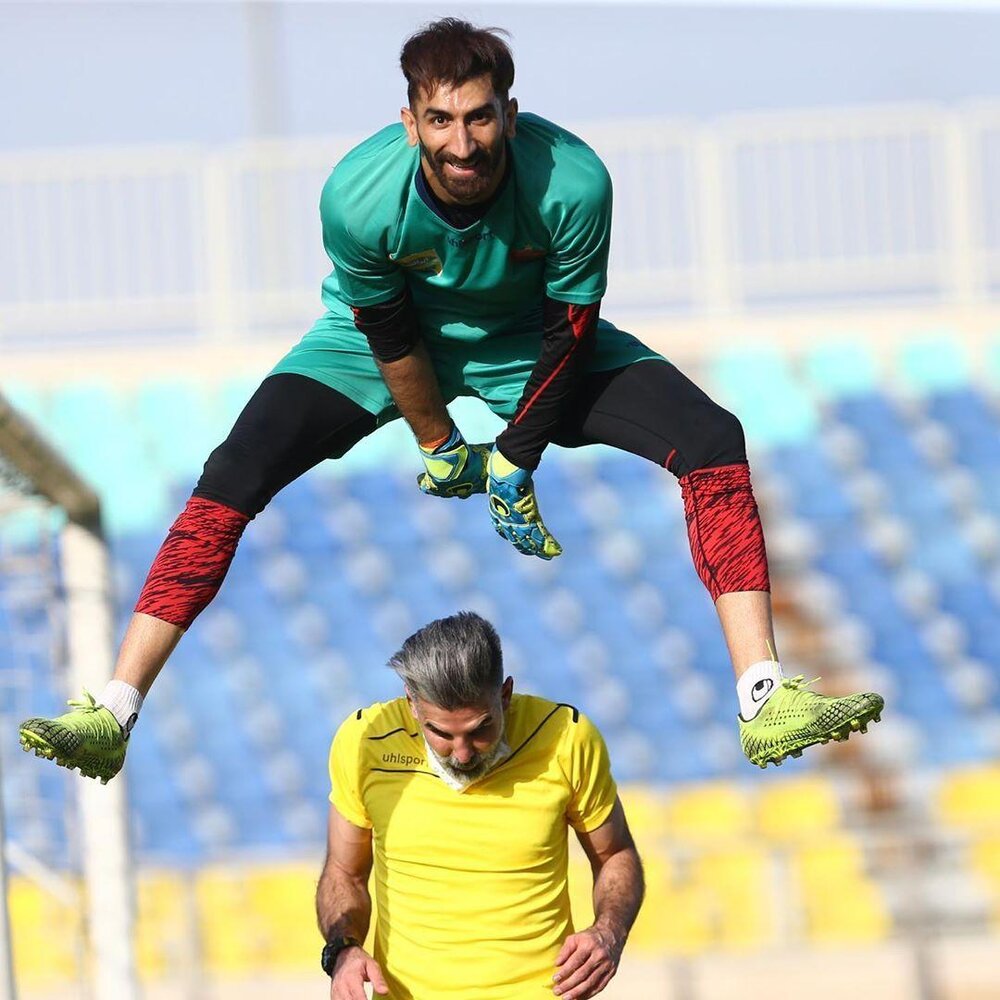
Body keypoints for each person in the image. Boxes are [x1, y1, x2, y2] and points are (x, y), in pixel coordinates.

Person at [19, 18, 883, 784]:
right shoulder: (358, 199)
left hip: (529, 344)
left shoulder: (572, 181)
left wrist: (514, 457)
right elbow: (391, 338)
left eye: (479, 117)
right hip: (377, 350)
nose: (462, 143)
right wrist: (443, 445)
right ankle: (117, 708)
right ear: (411, 122)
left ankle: (762, 695)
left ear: (509, 112)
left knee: (710, 433)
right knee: (235, 468)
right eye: (440, 120)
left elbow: (568, 331)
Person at [316, 611, 643, 1000]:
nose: (463, 753)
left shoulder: (567, 739)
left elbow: (615, 854)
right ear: (412, 704)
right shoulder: (364, 742)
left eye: (480, 729)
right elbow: (344, 873)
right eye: (441, 733)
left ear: (504, 695)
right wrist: (344, 951)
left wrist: (609, 932)